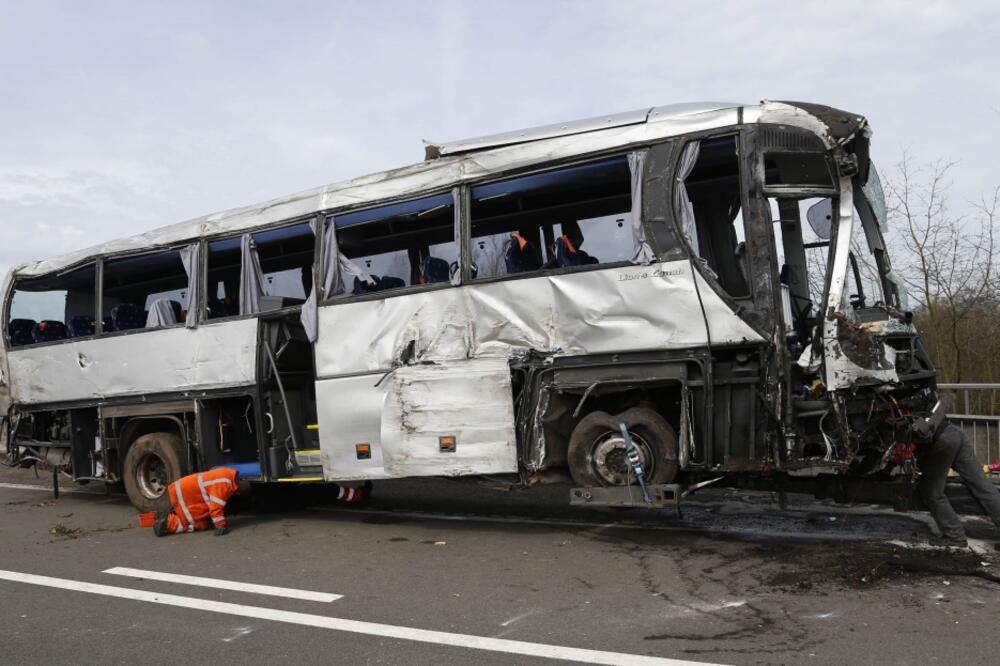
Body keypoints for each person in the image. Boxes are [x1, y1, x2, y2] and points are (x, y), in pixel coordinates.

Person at [912, 403, 1000, 548]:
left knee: (932, 492)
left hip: (942, 442)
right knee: (983, 486)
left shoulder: (897, 423)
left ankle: (954, 535)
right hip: (953, 432)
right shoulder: (917, 408)